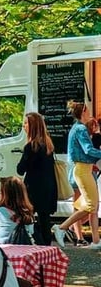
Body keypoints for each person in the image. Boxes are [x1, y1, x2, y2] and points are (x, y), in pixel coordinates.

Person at [52, 101, 101, 249]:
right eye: (87, 111)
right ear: (83, 112)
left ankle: (95, 241)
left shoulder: (77, 128)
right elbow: (88, 150)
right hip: (82, 170)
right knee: (92, 204)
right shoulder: (80, 129)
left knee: (92, 204)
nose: (89, 114)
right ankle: (61, 228)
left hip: (84, 169)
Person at [16, 112, 56, 246]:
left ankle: (30, 246)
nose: (24, 126)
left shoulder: (30, 147)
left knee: (27, 218)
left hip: (33, 189)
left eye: (26, 123)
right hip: (49, 187)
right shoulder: (48, 145)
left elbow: (20, 169)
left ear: (32, 126)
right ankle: (47, 249)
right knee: (45, 221)